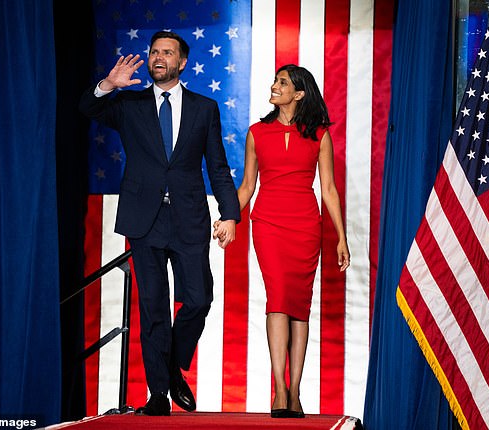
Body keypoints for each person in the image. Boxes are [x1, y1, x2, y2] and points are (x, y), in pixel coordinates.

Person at [80, 31, 240, 416]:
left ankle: (171, 366)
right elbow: (87, 109)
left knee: (199, 298)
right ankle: (157, 394)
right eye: (154, 52)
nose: (158, 57)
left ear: (182, 62)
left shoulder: (205, 108)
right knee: (153, 309)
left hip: (189, 218)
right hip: (143, 219)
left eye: (167, 53)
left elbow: (217, 166)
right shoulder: (130, 104)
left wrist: (230, 213)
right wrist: (106, 86)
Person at [213, 64, 350, 418]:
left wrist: (341, 238)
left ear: (299, 94)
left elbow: (330, 190)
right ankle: (279, 388)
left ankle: (296, 391)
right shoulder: (257, 132)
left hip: (306, 226)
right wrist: (230, 217)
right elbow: (246, 186)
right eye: (275, 80)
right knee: (277, 299)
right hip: (269, 223)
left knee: (299, 305)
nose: (274, 86)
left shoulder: (320, 135)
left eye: (282, 82)